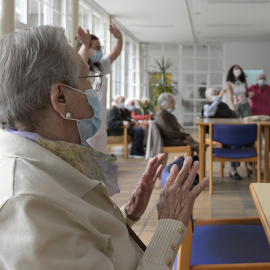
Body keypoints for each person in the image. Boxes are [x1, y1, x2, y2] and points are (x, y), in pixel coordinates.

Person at [0, 25, 209, 270]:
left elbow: (78, 236)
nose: (92, 92)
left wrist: (125, 215)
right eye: (88, 80)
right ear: (61, 98)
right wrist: (169, 225)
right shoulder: (27, 208)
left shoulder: (48, 155)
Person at [76, 24, 123, 153]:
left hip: (101, 123)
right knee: (87, 162)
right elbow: (80, 62)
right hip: (86, 124)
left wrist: (119, 38)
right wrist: (85, 45)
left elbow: (115, 53)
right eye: (96, 47)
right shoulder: (81, 67)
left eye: (100, 47)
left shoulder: (100, 66)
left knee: (100, 164)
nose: (99, 50)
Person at [202, 88, 243, 180]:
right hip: (217, 136)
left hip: (230, 134)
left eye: (217, 94)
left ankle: (234, 170)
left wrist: (237, 105)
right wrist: (218, 99)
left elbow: (235, 116)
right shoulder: (206, 106)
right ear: (208, 97)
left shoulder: (223, 105)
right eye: (214, 94)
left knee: (242, 140)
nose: (217, 96)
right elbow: (210, 113)